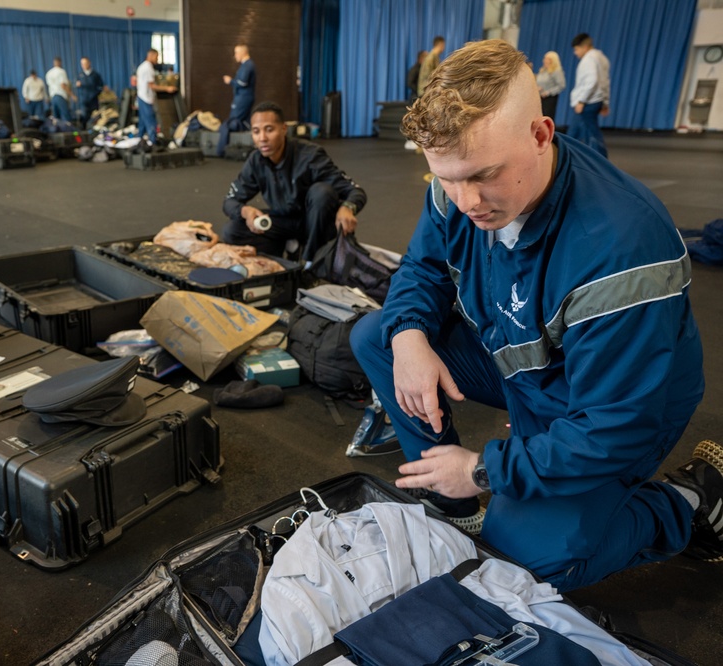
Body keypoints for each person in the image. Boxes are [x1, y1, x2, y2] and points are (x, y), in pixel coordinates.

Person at [349, 39, 717, 593]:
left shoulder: (621, 248)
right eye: (445, 179)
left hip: (610, 407)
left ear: (542, 135)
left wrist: (482, 468)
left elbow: (611, 428)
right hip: (524, 362)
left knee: (524, 561)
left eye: (483, 176)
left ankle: (692, 499)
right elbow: (423, 271)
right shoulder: (456, 183)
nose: (465, 200)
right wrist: (408, 340)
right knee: (378, 335)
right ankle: (454, 499)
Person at [222, 102, 365, 263]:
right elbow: (229, 201)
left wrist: (348, 207)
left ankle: (311, 262)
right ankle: (284, 257)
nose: (262, 138)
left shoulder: (310, 155)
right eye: (256, 131)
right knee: (231, 230)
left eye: (269, 129)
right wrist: (245, 211)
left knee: (322, 192)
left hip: (315, 224)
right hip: (283, 222)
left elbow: (355, 191)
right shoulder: (255, 161)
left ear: (284, 129)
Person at [569, 33, 611, 158]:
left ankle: (599, 160)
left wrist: (582, 101)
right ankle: (586, 159)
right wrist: (605, 102)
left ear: (585, 47)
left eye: (576, 49)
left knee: (584, 133)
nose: (575, 53)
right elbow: (605, 82)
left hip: (588, 102)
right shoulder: (601, 58)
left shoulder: (588, 60)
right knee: (582, 132)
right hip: (596, 101)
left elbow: (592, 81)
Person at [216, 43, 256, 157]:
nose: (235, 55)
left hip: (243, 98)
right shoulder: (246, 65)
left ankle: (222, 150)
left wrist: (230, 81)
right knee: (245, 123)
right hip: (243, 97)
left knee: (231, 123)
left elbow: (242, 83)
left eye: (236, 53)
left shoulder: (248, 65)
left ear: (243, 53)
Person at [134, 49, 177, 143]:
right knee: (151, 122)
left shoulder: (142, 66)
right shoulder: (148, 67)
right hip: (146, 99)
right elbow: (152, 86)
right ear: (151, 55)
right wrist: (167, 88)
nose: (157, 59)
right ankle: (153, 144)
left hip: (142, 97)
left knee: (143, 123)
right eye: (157, 57)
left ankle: (138, 142)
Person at [536, 51, 566, 121]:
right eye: (544, 58)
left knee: (546, 118)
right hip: (539, 98)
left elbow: (561, 85)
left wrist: (548, 92)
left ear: (552, 60)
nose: (544, 60)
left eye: (547, 59)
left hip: (549, 99)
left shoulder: (557, 71)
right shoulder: (543, 70)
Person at [76, 57, 106, 124]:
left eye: (85, 63)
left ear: (89, 63)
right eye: (82, 64)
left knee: (95, 117)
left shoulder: (95, 75)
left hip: (94, 100)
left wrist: (97, 93)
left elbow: (101, 86)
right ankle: (85, 131)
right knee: (84, 116)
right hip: (84, 100)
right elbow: (78, 87)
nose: (83, 65)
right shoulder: (80, 75)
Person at [45, 57, 74, 122]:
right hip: (60, 96)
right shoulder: (61, 71)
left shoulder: (48, 73)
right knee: (66, 116)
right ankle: (70, 131)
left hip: (53, 97)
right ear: (60, 62)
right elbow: (63, 85)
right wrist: (72, 95)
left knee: (56, 118)